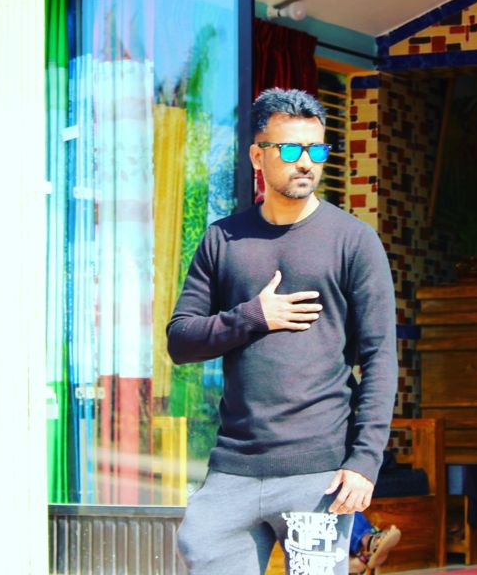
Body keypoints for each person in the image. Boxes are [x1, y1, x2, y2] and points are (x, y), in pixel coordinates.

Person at [167, 88, 398, 575]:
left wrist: (364, 461)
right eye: (291, 149)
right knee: (201, 548)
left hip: (318, 475)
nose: (306, 162)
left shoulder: (354, 241)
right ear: (258, 155)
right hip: (233, 470)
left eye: (316, 149)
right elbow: (181, 340)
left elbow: (380, 358)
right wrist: (254, 316)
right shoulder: (223, 239)